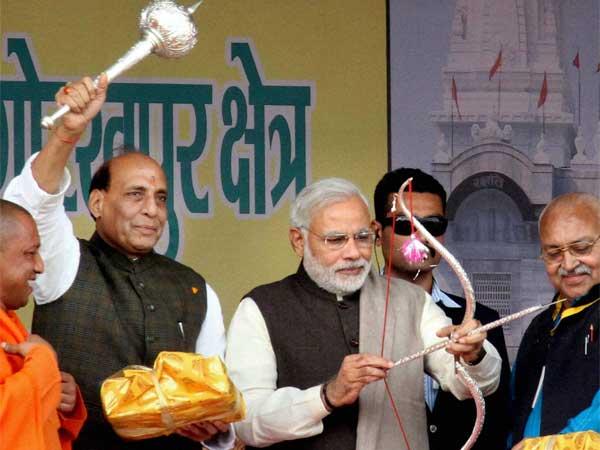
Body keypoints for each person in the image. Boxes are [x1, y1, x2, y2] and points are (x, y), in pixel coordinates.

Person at [3, 76, 233, 450]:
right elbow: (32, 204)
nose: (152, 210)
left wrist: (214, 426)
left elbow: (216, 394)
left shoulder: (194, 288)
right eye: (135, 195)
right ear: (97, 203)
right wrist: (67, 133)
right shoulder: (66, 263)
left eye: (160, 198)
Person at [225, 177, 502, 450]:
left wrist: (473, 354)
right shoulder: (262, 307)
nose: (353, 253)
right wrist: (326, 396)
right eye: (336, 240)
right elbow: (246, 422)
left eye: (362, 237)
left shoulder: (411, 301)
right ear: (298, 241)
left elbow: (474, 384)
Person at [373, 167, 511, 450]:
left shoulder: (481, 319)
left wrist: (475, 356)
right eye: (405, 225)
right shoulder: (353, 312)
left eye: (433, 225)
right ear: (377, 232)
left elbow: (497, 422)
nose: (422, 237)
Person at [510, 192, 600, 445]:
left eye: (581, 248)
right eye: (554, 253)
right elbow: (514, 409)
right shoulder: (540, 325)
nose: (568, 264)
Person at [0, 199, 87, 450]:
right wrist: (43, 366)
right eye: (30, 253)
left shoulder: (9, 321)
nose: (39, 266)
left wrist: (59, 397)